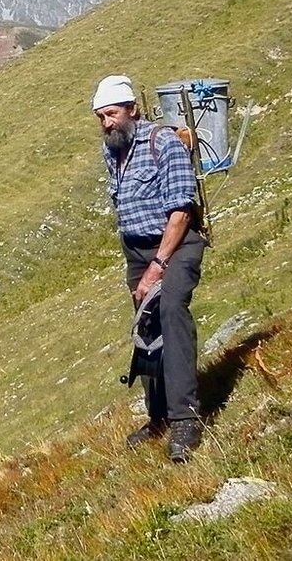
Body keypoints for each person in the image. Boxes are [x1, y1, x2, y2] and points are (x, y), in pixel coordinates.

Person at [93, 74, 207, 462]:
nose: (108, 123)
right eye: (101, 117)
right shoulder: (112, 151)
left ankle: (185, 419)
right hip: (137, 250)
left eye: (112, 114)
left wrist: (158, 266)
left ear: (132, 110)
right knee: (147, 327)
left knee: (172, 310)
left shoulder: (164, 145)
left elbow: (181, 211)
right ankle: (158, 415)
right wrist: (140, 263)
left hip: (176, 244)